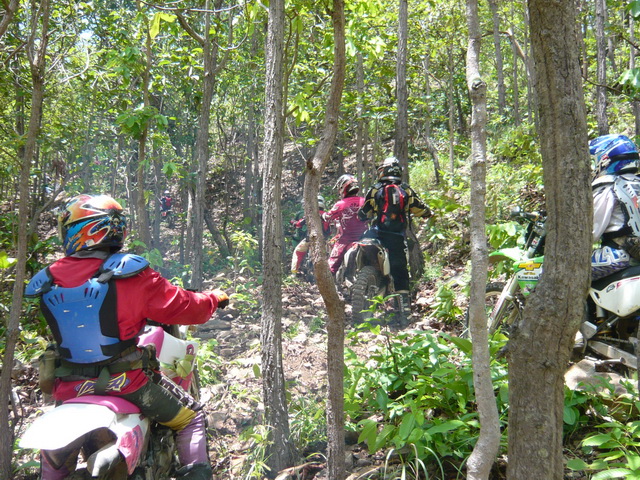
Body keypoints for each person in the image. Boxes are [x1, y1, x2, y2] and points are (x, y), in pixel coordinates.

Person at [25, 194, 228, 480]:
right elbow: (186, 308)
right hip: (127, 383)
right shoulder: (130, 273)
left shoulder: (47, 278)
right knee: (191, 417)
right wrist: (213, 298)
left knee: (52, 456)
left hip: (69, 388)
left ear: (74, 231)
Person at [358, 157, 432, 321]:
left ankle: (357, 282)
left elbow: (363, 213)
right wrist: (428, 213)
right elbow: (420, 208)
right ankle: (405, 312)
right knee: (400, 271)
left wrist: (365, 215)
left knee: (362, 247)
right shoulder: (406, 189)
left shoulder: (375, 189)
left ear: (383, 171)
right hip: (396, 236)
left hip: (376, 234)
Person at [590, 134, 640, 281]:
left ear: (604, 159)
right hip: (635, 254)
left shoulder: (606, 184)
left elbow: (591, 232)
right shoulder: (636, 181)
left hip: (618, 256)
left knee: (561, 269)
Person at [324, 174, 368, 274]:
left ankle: (329, 279)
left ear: (343, 187)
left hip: (346, 240)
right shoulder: (364, 201)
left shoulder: (341, 204)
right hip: (365, 238)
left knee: (331, 266)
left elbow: (328, 217)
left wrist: (323, 215)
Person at [290, 194, 331, 275]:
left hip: (309, 239)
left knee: (297, 252)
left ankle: (294, 273)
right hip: (323, 241)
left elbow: (299, 224)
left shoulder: (310, 214)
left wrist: (293, 222)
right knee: (330, 255)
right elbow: (330, 231)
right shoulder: (327, 215)